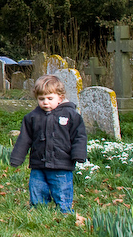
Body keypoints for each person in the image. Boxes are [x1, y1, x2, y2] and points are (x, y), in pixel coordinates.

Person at [9, 74, 87, 214]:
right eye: (41, 99)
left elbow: (79, 136)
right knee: (37, 188)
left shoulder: (71, 115)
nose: (45, 102)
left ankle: (65, 212)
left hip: (61, 164)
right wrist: (16, 158)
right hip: (38, 163)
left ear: (60, 97)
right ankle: (40, 211)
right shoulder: (32, 117)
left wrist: (78, 154)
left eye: (50, 98)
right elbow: (24, 139)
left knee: (62, 189)